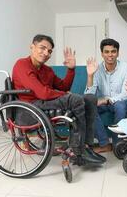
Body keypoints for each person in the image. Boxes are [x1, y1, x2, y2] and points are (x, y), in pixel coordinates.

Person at [12, 34, 105, 165]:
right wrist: (64, 94)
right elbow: (42, 93)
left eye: (49, 51)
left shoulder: (47, 70)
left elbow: (63, 86)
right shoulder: (22, 65)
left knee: (90, 98)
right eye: (42, 48)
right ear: (32, 47)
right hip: (30, 108)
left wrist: (71, 69)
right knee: (75, 99)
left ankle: (87, 146)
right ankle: (78, 151)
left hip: (44, 103)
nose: (46, 53)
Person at [85, 38, 127, 153]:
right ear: (102, 54)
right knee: (88, 107)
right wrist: (90, 75)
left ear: (118, 53)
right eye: (106, 52)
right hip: (102, 104)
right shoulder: (97, 69)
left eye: (113, 51)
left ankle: (118, 145)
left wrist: (108, 100)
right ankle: (105, 144)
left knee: (120, 106)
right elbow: (88, 96)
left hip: (118, 103)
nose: (110, 55)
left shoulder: (126, 68)